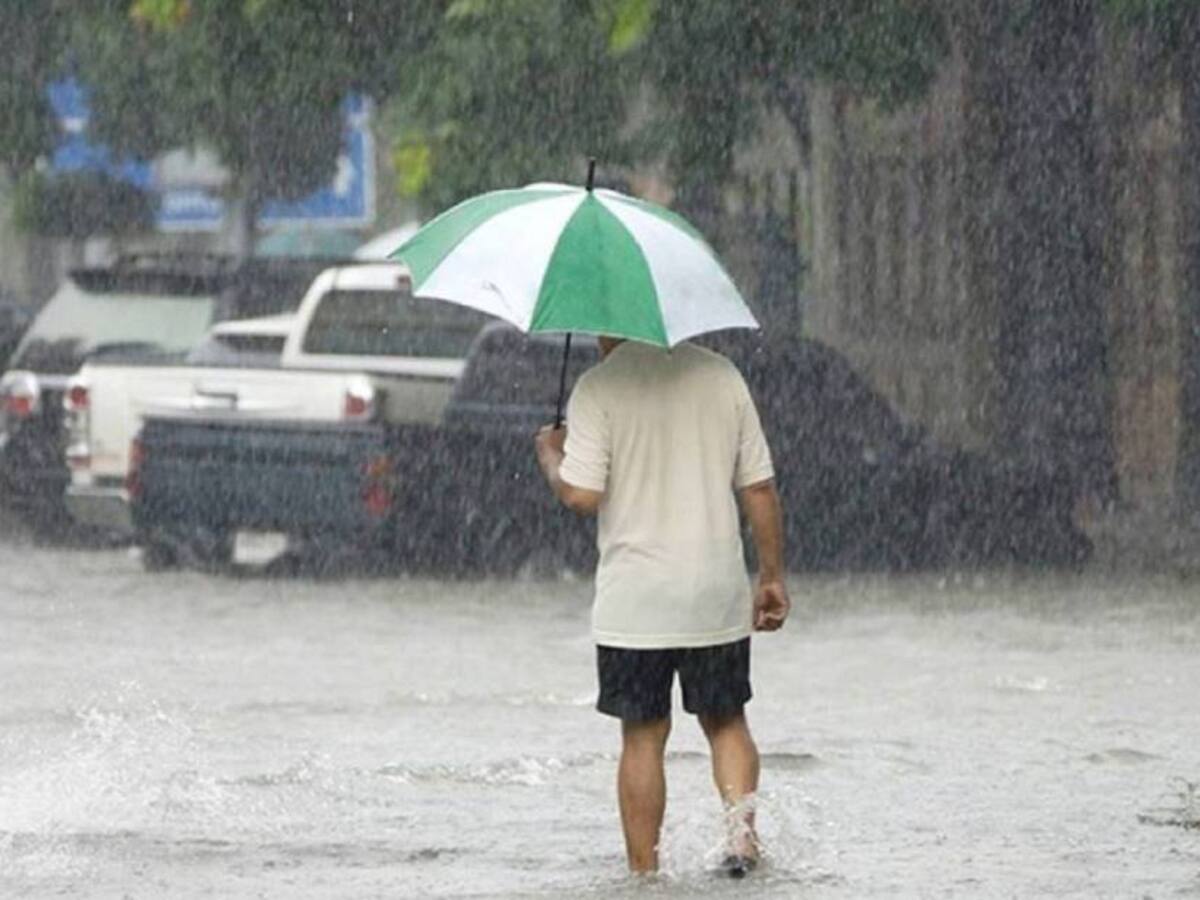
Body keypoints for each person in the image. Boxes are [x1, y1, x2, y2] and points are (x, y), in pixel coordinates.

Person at [534, 335, 790, 878]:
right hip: (713, 589)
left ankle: (645, 875)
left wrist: (551, 457)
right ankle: (742, 842)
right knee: (726, 722)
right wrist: (770, 577)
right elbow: (760, 487)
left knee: (644, 734)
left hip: (636, 601)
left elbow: (582, 495)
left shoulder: (598, 388)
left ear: (607, 325)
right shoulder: (722, 374)